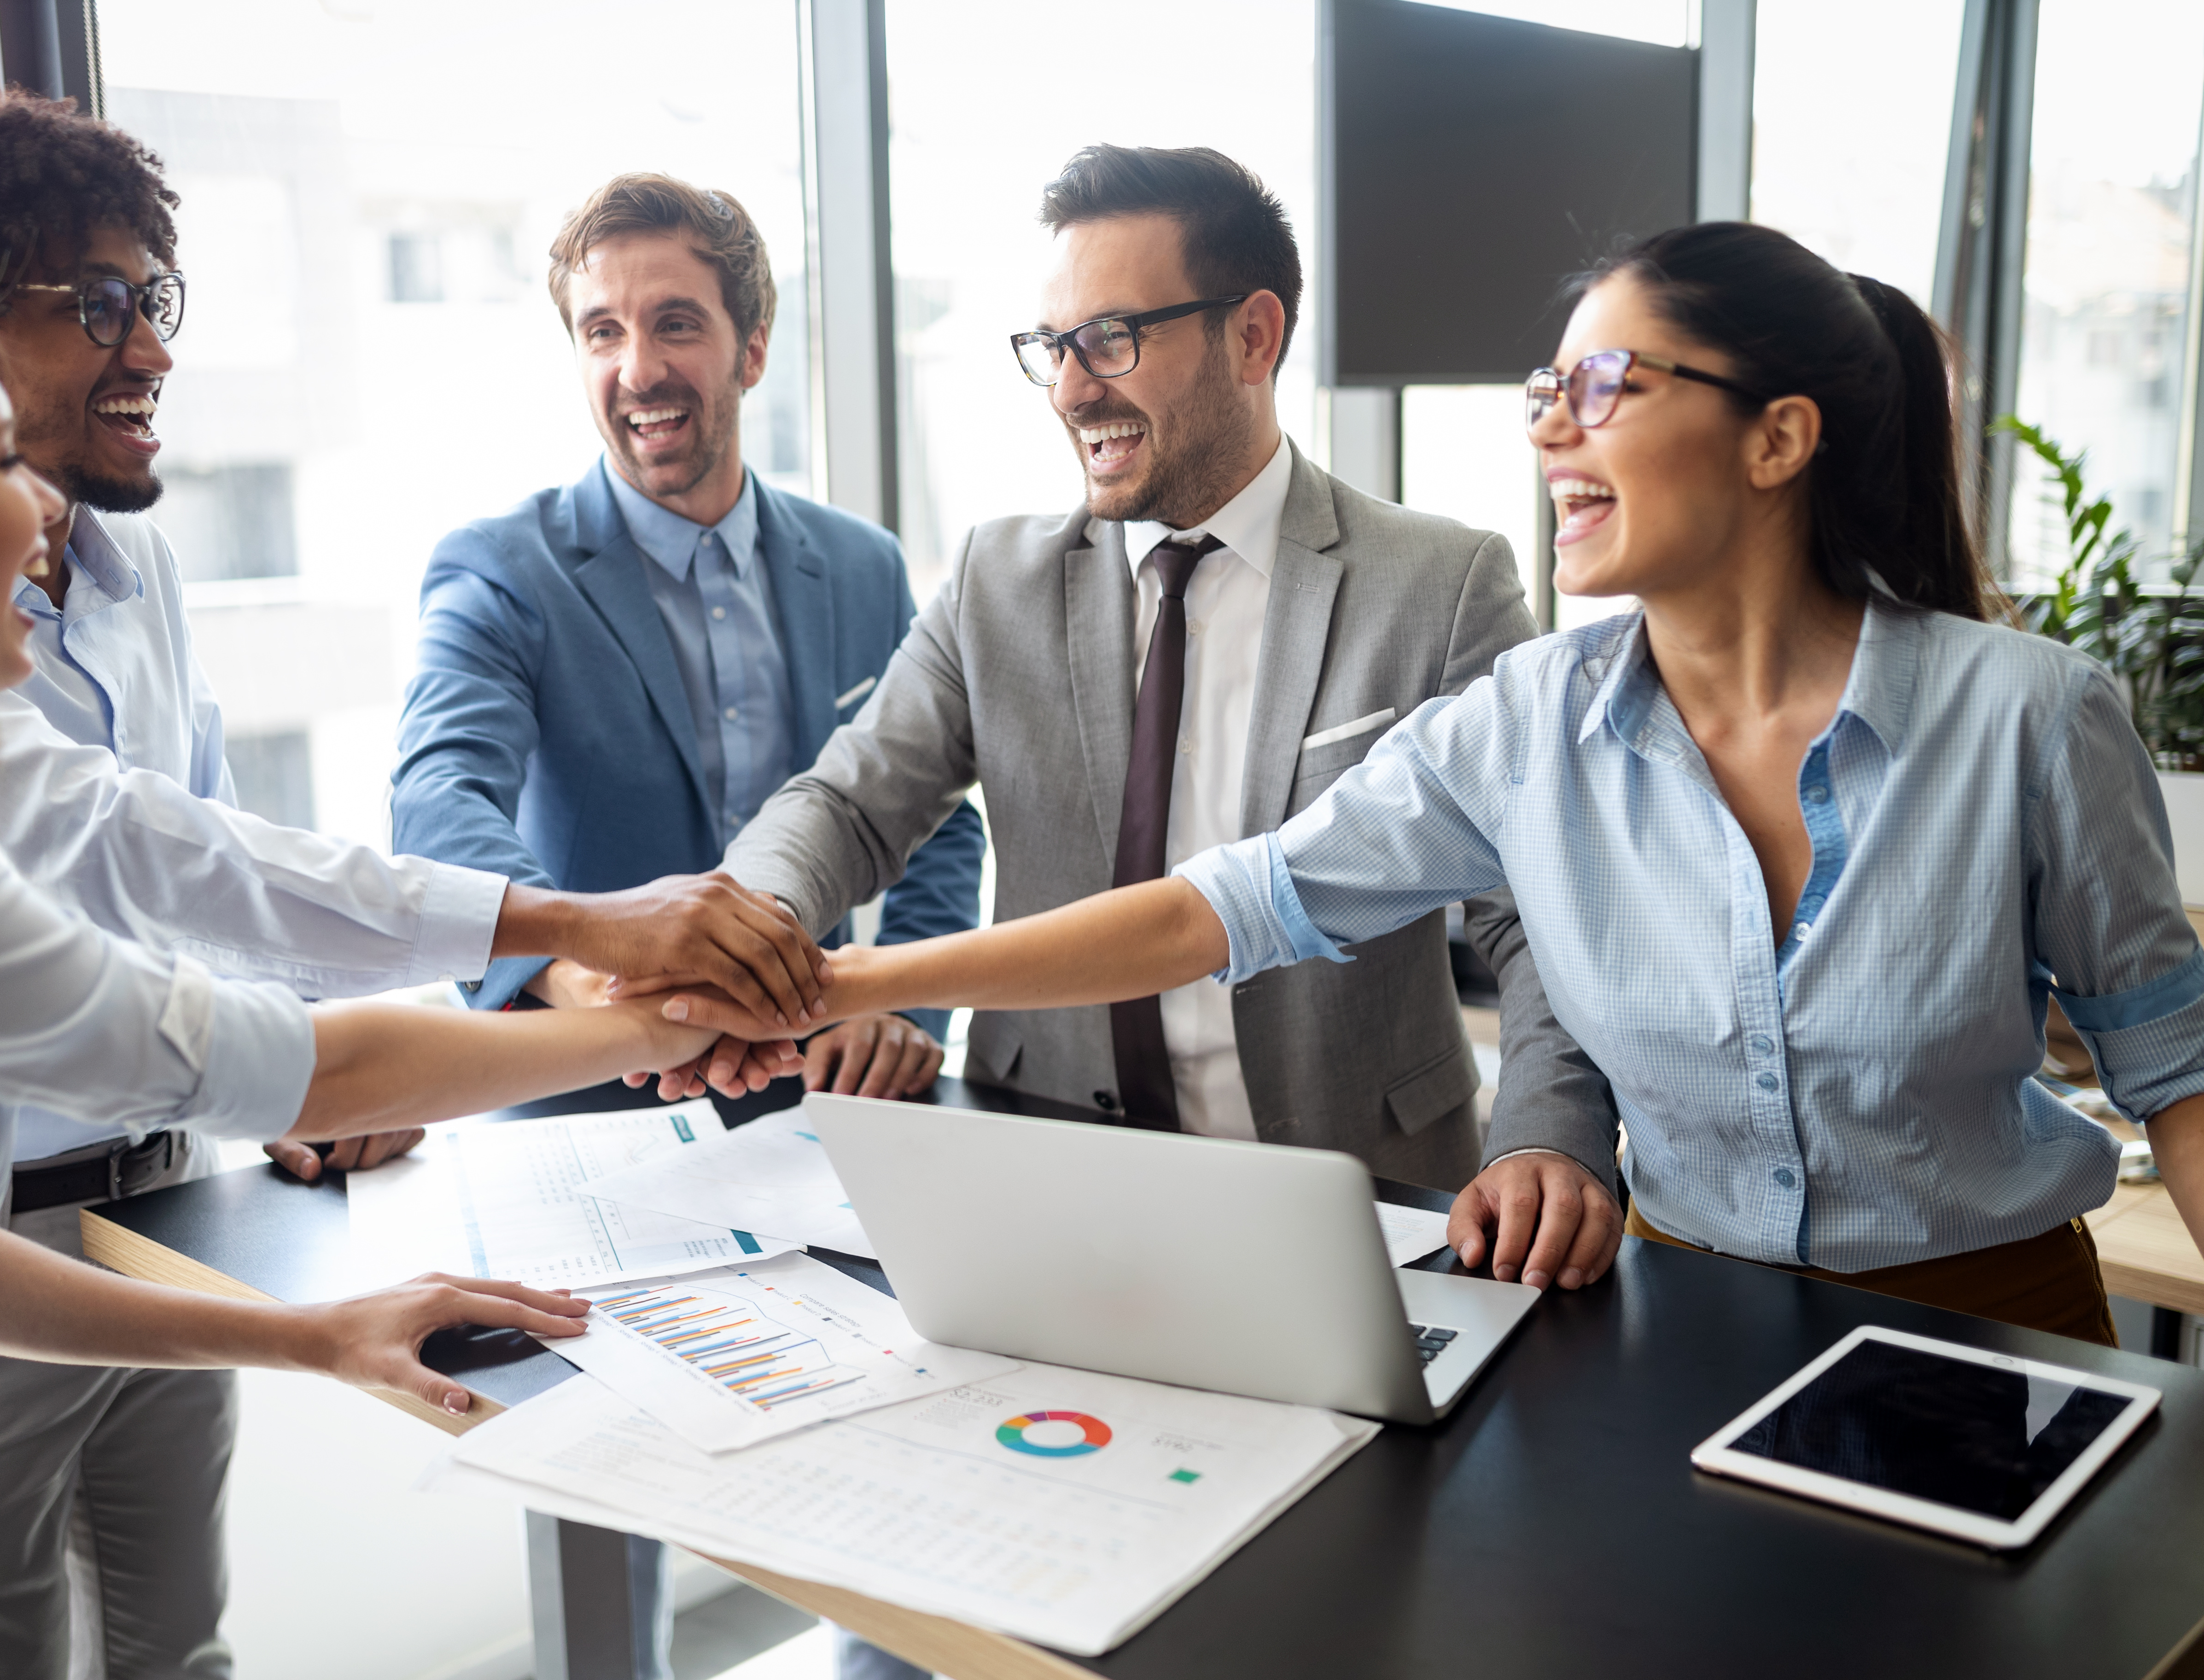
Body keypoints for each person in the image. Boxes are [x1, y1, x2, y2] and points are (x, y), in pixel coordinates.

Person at [665, 221, 2204, 1343]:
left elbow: (2179, 1078)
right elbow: (1218, 908)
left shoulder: (2031, 717)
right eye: (1546, 387)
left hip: (1998, 1333)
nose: (1549, 425)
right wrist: (845, 976)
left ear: (1777, 437)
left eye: (1603, 385)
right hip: (1677, 1327)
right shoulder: (1534, 716)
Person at [0, 90, 824, 1680]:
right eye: (98, 305)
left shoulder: (133, 564)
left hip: (157, 1190)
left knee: (179, 1642)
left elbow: (203, 843)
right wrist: (580, 938)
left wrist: (298, 1057)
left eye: (156, 296)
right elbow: (139, 839)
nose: (151, 346)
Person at [706, 145, 1609, 1184]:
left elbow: (1537, 911)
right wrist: (750, 933)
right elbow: (851, 804)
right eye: (1054, 346)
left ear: (1254, 336)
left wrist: (1546, 1132)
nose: (1073, 391)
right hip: (1044, 1156)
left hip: (1362, 1176)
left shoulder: (1441, 583)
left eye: (1112, 340)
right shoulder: (995, 578)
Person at [386, 168, 986, 1680]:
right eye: (600, 329)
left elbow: (934, 812)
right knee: (611, 1511)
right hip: (586, 1117)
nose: (636, 368)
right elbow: (439, 804)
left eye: (672, 323)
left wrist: (898, 1008)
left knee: (891, 1461)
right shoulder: (500, 568)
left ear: (751, 342)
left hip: (832, 1100)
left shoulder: (857, 564)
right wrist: (585, 962)